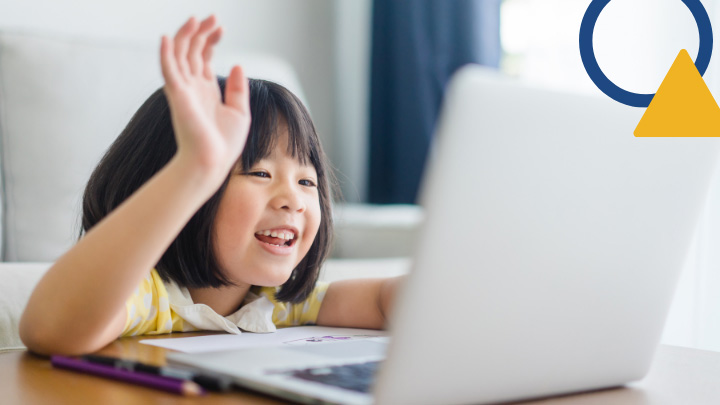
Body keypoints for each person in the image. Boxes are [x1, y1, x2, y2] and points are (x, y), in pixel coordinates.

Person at [19, 15, 403, 356]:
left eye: (307, 181)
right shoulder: (149, 296)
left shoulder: (276, 302)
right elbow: (50, 330)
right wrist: (195, 168)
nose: (294, 201)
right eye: (260, 173)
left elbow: (387, 302)